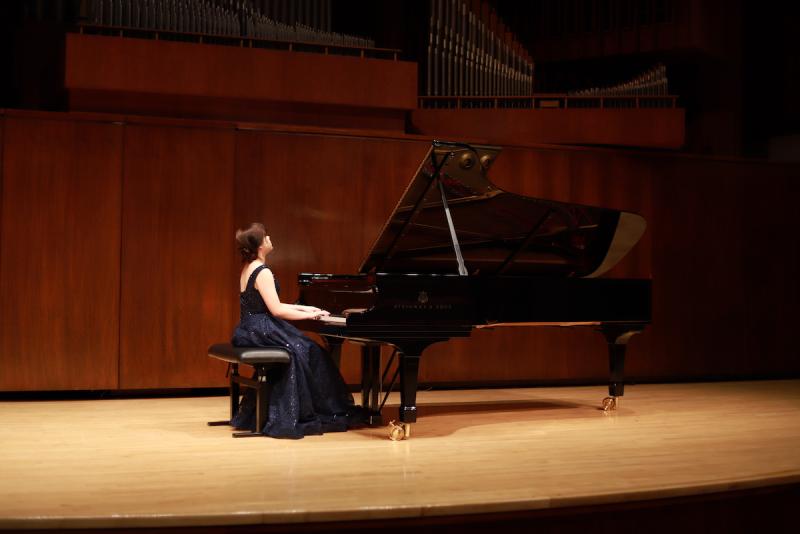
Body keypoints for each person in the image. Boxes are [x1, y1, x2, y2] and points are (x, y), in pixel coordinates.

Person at [230, 222, 365, 438]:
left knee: (305, 348)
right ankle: (305, 411)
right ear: (261, 245)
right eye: (267, 237)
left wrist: (306, 307)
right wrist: (310, 316)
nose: (270, 239)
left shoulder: (249, 267)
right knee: (308, 351)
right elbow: (277, 310)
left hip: (250, 327)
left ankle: (278, 409)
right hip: (263, 328)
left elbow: (270, 304)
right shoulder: (262, 271)